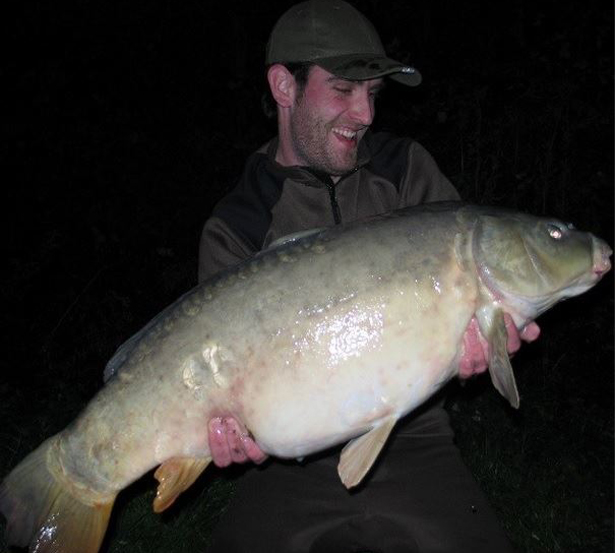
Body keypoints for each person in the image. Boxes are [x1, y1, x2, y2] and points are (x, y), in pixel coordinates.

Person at [198, 1, 539, 551]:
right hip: (290, 465)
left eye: (373, 95)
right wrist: (230, 432)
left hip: (415, 437)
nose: (367, 114)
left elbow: (474, 297)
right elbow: (216, 383)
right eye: (343, 90)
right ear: (284, 87)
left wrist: (483, 344)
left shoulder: (405, 170)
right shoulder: (237, 225)